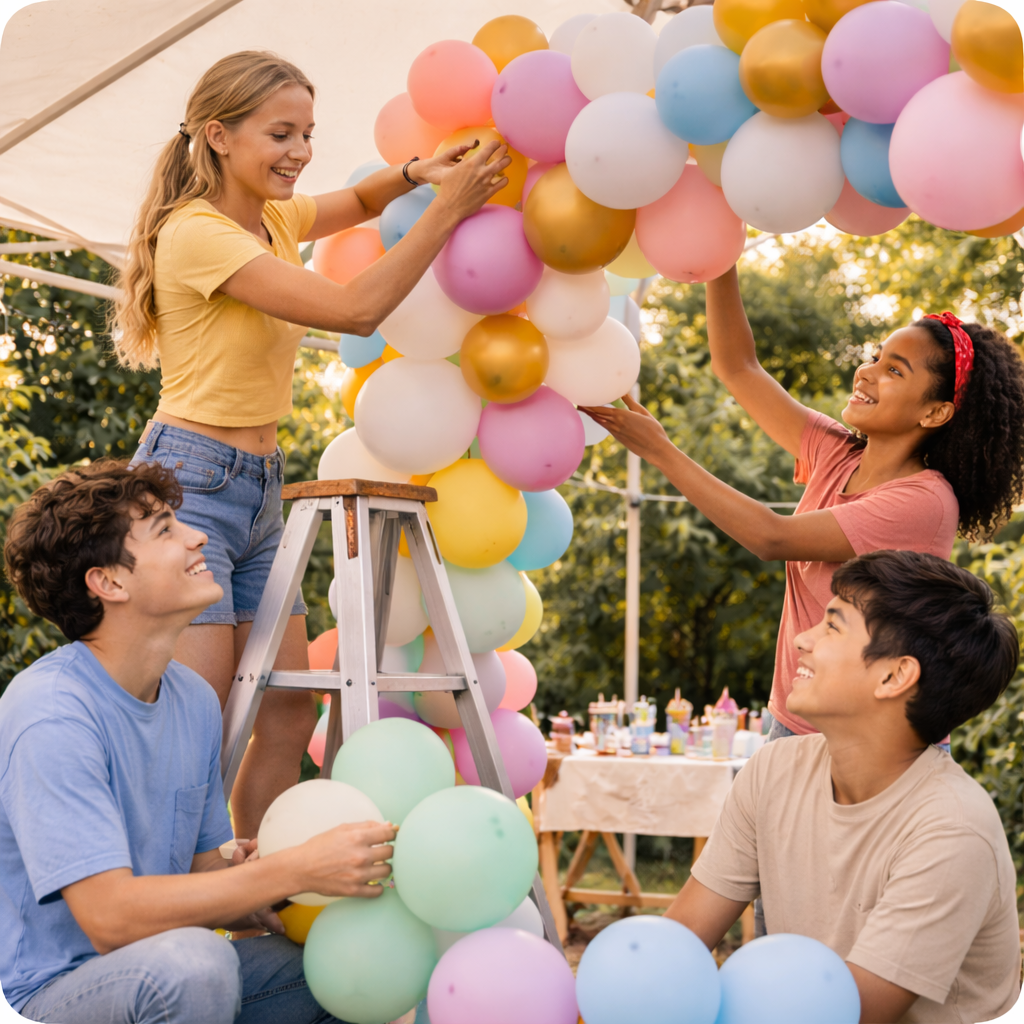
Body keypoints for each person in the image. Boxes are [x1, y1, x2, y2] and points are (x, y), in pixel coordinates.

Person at [112, 51, 509, 839]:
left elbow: (360, 197)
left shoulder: (273, 217)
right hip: (187, 488)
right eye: (281, 133)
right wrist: (449, 208)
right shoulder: (197, 235)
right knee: (203, 720)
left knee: (290, 708)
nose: (299, 151)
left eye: (307, 134)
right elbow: (356, 309)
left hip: (259, 488)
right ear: (218, 136)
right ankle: (179, 897)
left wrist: (414, 171)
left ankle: (255, 891)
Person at [0, 460, 394, 1022]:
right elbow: (108, 918)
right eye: (164, 528)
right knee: (197, 962)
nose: (199, 535)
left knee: (347, 963)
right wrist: (296, 869)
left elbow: (204, 867)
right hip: (57, 991)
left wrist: (262, 879)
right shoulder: (51, 713)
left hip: (168, 967)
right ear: (108, 582)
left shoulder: (192, 699)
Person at [582, 267, 1024, 740]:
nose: (868, 371)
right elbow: (738, 367)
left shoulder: (924, 500)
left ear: (935, 412)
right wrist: (718, 258)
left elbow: (771, 537)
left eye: (894, 370)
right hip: (793, 717)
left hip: (865, 738)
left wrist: (659, 450)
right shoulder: (835, 452)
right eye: (877, 357)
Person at [666, 549, 1021, 1024]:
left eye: (832, 625)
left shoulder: (952, 830)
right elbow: (679, 941)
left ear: (895, 675)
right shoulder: (773, 771)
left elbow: (849, 1015)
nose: (801, 640)